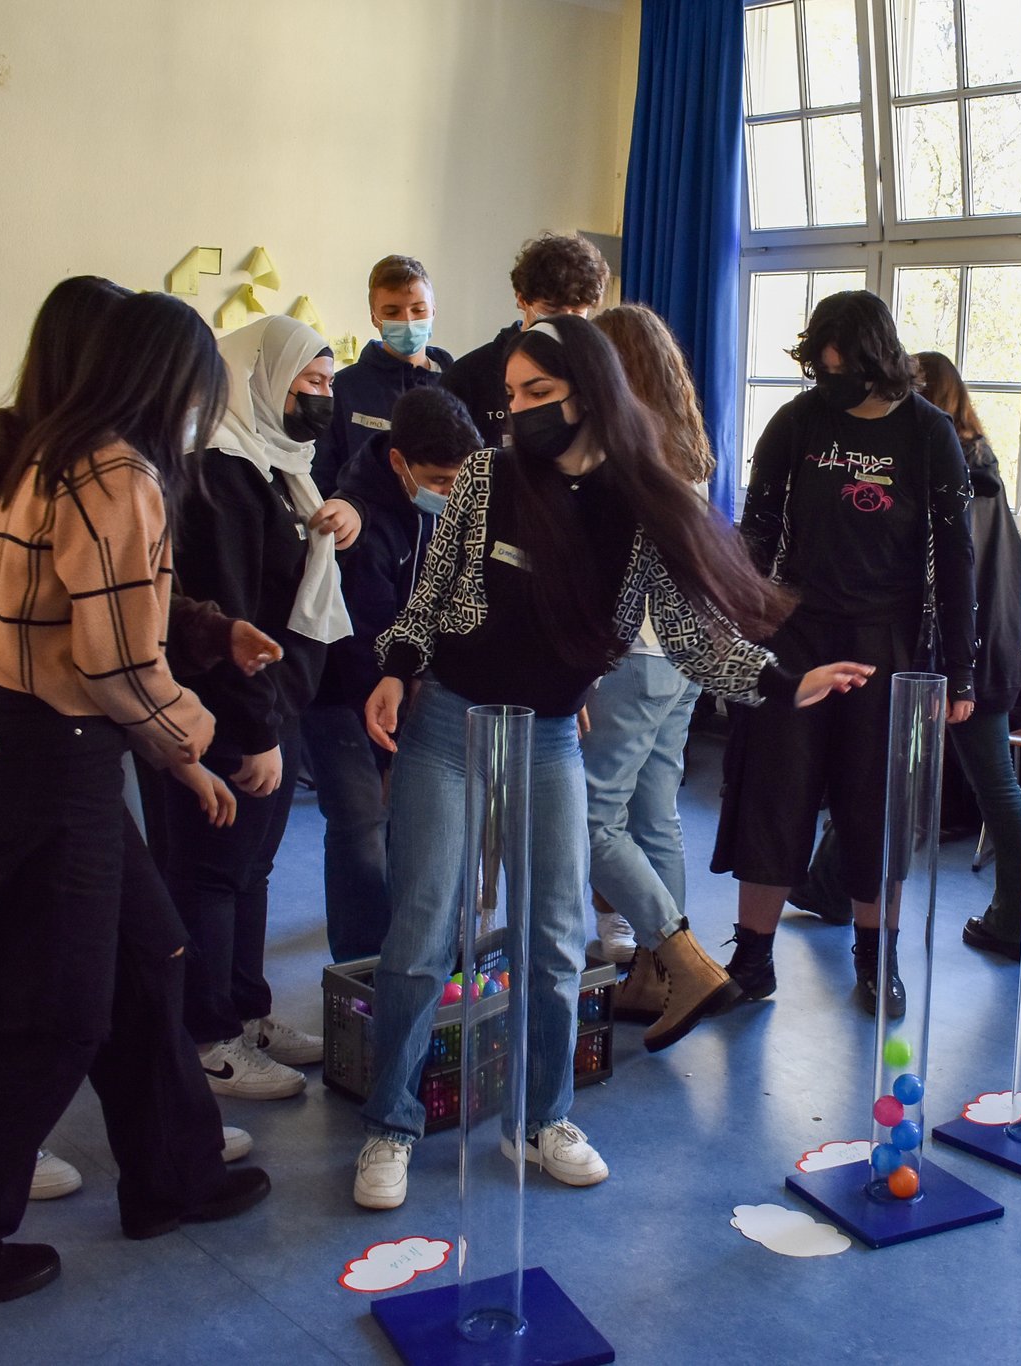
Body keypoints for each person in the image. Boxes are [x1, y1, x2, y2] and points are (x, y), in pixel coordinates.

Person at [350, 315, 871, 1211]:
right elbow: (430, 598)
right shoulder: (485, 477)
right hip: (450, 725)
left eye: (537, 393)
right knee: (423, 932)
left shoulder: (638, 502)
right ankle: (391, 1125)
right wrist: (396, 670)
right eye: (510, 395)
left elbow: (696, 639)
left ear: (589, 394)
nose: (516, 411)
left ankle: (541, 1117)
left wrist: (785, 682)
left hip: (551, 733)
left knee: (556, 939)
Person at [0, 292, 269, 1315]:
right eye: (201, 394)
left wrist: (173, 739)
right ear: (168, 384)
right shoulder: (115, 473)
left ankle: (173, 1174)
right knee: (53, 1016)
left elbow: (82, 631)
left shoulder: (52, 457)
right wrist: (203, 739)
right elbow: (115, 660)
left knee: (150, 956)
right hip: (48, 753)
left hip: (47, 748)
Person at [713, 291, 977, 1018]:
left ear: (877, 361)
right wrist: (739, 632)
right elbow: (757, 531)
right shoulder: (798, 421)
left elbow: (955, 559)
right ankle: (752, 958)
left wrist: (961, 670)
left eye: (841, 371)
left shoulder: (928, 433)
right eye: (820, 370)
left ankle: (876, 959)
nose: (828, 382)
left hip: (886, 640)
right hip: (798, 631)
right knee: (774, 799)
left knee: (874, 809)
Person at [160, 315, 362, 1100]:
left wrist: (334, 522)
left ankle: (247, 1012)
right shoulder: (221, 472)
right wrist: (257, 730)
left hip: (277, 704)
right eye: (310, 383)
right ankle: (210, 1037)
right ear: (259, 379)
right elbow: (231, 616)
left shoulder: (280, 467)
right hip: (235, 712)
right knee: (214, 872)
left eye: (328, 383)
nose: (323, 399)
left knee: (252, 868)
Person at [582, 303, 742, 1052]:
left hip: (636, 655)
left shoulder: (621, 448)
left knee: (591, 820)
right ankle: (657, 976)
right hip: (681, 654)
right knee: (654, 815)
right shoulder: (683, 444)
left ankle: (682, 961)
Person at [309, 386, 481, 963]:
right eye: (439, 481)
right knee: (360, 821)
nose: (452, 493)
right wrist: (387, 739)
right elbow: (361, 637)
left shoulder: (465, 500)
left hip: (417, 687)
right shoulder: (356, 518)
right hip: (342, 691)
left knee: (421, 824)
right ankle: (361, 968)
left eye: (460, 480)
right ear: (399, 461)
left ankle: (423, 954)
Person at [444, 232, 609, 447]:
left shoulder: (595, 372)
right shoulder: (468, 376)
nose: (564, 323)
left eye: (577, 312)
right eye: (552, 310)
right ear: (522, 299)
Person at [313, 254, 454, 491]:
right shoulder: (344, 389)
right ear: (374, 318)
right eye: (392, 312)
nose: (407, 320)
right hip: (363, 514)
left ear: (433, 311)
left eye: (418, 310)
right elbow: (322, 477)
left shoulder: (459, 383)